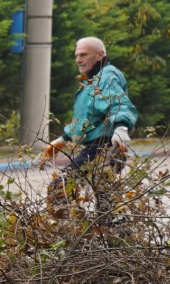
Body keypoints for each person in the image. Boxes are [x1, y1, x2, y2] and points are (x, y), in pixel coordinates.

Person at [41, 36, 138, 214]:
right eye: (77, 55)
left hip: (105, 146)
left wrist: (122, 128)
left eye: (84, 55)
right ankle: (108, 235)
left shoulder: (107, 77)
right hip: (97, 146)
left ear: (100, 54)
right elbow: (87, 117)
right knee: (106, 200)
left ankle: (71, 234)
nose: (78, 59)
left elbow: (119, 104)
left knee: (61, 186)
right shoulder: (91, 81)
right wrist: (64, 139)